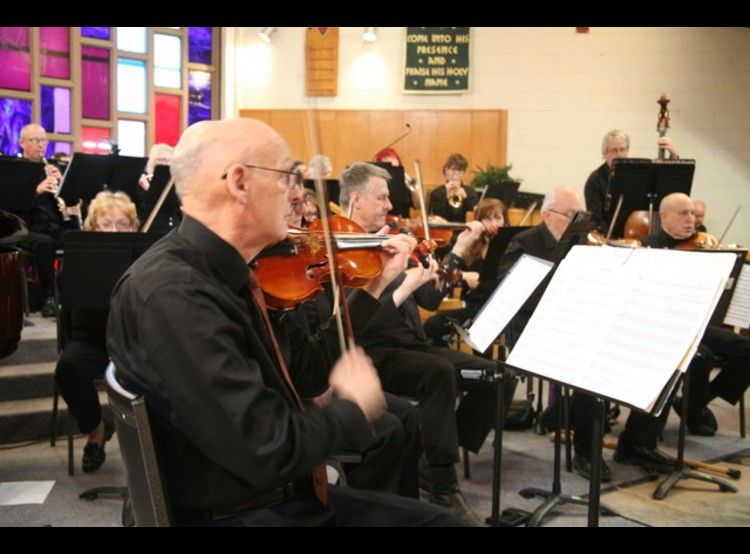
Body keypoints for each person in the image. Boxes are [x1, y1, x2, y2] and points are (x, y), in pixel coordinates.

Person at [107, 118, 460, 527]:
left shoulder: (235, 273)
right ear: (238, 183)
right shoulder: (175, 296)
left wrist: (373, 286)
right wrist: (352, 408)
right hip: (237, 512)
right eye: (288, 178)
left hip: (267, 497)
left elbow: (305, 375)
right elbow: (266, 449)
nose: (298, 197)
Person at [340, 161, 503, 526]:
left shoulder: (391, 239)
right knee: (438, 373)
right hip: (373, 352)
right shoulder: (345, 251)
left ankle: (433, 455)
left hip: (413, 346)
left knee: (493, 375)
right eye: (381, 197)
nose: (389, 205)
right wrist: (405, 284)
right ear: (357, 199)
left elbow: (431, 298)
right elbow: (358, 324)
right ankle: (443, 482)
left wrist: (457, 251)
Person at [55, 191, 139, 472]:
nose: (114, 230)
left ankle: (153, 451)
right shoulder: (78, 260)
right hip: (90, 339)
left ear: (133, 228)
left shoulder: (142, 260)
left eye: (122, 224)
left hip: (131, 342)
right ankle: (96, 429)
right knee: (68, 367)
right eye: (106, 224)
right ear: (92, 227)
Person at [14, 123, 80, 316]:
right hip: (26, 227)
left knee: (76, 238)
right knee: (45, 243)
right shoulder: (15, 169)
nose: (40, 144)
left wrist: (63, 183)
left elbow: (71, 201)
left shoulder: (50, 167)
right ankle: (49, 295)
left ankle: (72, 294)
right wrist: (37, 190)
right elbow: (13, 204)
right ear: (22, 143)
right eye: (35, 140)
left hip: (53, 225)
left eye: (43, 140)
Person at [424, 198, 506, 348]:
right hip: (473, 307)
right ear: (479, 222)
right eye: (487, 219)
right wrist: (463, 276)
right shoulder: (472, 244)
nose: (493, 224)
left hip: (498, 308)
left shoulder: (509, 245)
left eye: (497, 218)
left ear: (504, 221)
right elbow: (448, 273)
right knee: (432, 325)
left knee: (481, 332)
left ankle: (484, 367)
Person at [584, 130, 679, 233]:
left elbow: (664, 185)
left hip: (640, 232)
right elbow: (596, 219)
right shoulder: (595, 180)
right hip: (610, 235)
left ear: (627, 150)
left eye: (622, 149)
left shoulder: (639, 173)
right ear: (605, 153)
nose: (619, 154)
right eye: (614, 150)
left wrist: (673, 156)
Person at [428, 153, 479, 224]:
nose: (456, 174)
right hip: (442, 230)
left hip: (463, 230)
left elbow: (475, 212)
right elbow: (437, 216)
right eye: (453, 170)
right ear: (446, 170)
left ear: (463, 173)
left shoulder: (470, 191)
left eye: (460, 170)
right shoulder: (437, 192)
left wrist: (465, 197)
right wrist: (447, 196)